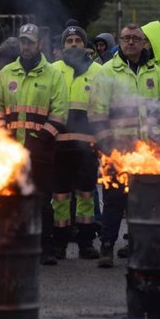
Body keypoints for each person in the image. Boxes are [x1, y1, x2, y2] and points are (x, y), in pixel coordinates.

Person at [90, 23, 160, 268]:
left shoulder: (154, 72)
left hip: (148, 151)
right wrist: (106, 145)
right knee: (114, 201)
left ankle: (138, 246)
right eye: (126, 38)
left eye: (136, 38)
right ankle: (107, 247)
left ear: (145, 42)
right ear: (120, 41)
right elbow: (96, 112)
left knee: (143, 202)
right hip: (116, 149)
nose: (131, 42)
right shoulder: (107, 72)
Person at [0, 23, 68, 266]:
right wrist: (4, 139)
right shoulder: (6, 74)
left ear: (40, 44)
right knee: (11, 200)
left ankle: (45, 248)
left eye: (30, 42)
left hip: (41, 152)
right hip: (10, 152)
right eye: (23, 41)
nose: (26, 46)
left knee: (42, 201)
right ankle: (14, 245)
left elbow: (60, 113)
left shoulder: (53, 74)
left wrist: (42, 139)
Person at [51, 23, 102, 260]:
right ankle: (59, 243)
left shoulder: (98, 72)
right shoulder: (53, 71)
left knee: (86, 196)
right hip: (58, 146)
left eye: (78, 41)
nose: (73, 45)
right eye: (69, 42)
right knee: (60, 196)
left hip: (87, 147)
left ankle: (86, 243)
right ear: (62, 46)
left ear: (85, 45)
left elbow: (103, 110)